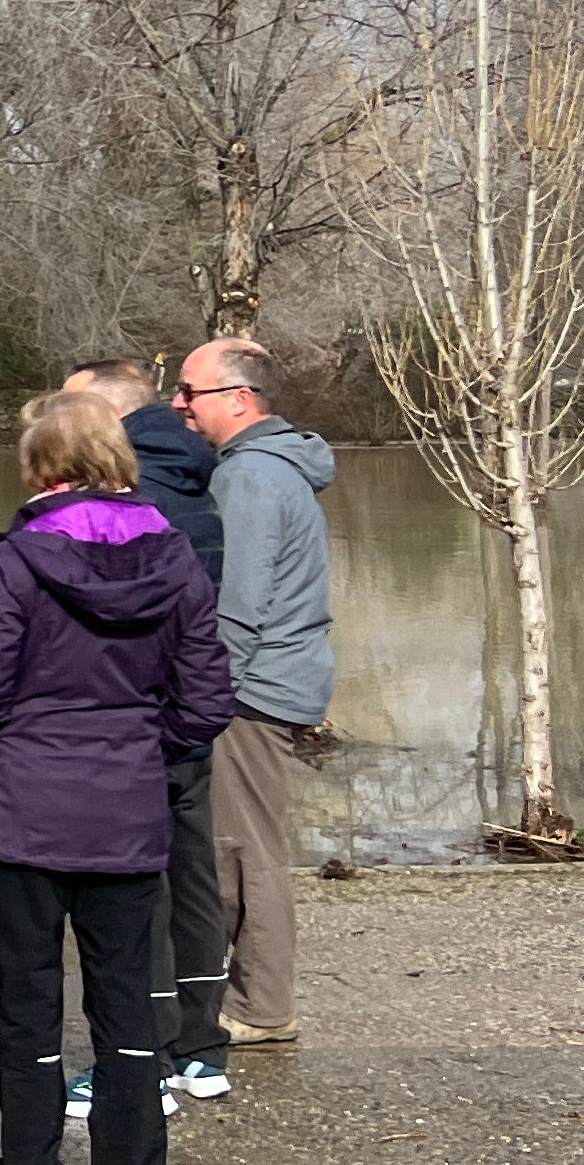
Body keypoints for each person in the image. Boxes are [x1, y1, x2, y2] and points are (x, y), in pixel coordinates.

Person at [0, 388, 233, 1165]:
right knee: (127, 1006)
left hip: (24, 806)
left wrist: (37, 722)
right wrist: (139, 745)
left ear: (40, 469)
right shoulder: (176, 558)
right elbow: (207, 700)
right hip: (125, 808)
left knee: (28, 1006)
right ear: (119, 459)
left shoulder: (14, 563)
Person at [61, 359, 233, 1107]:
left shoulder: (130, 501)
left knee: (135, 891)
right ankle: (199, 1048)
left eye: (70, 409)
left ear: (106, 416)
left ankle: (144, 1061)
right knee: (190, 873)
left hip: (131, 720)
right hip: (186, 713)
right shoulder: (197, 482)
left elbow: (106, 623)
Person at [177, 336, 337, 1047]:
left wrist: (206, 693)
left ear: (239, 399)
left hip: (251, 690)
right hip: (275, 679)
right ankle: (242, 994)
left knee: (243, 850)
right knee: (246, 843)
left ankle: (262, 1008)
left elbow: (238, 604)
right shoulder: (271, 467)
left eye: (191, 391)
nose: (179, 404)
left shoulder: (248, 478)